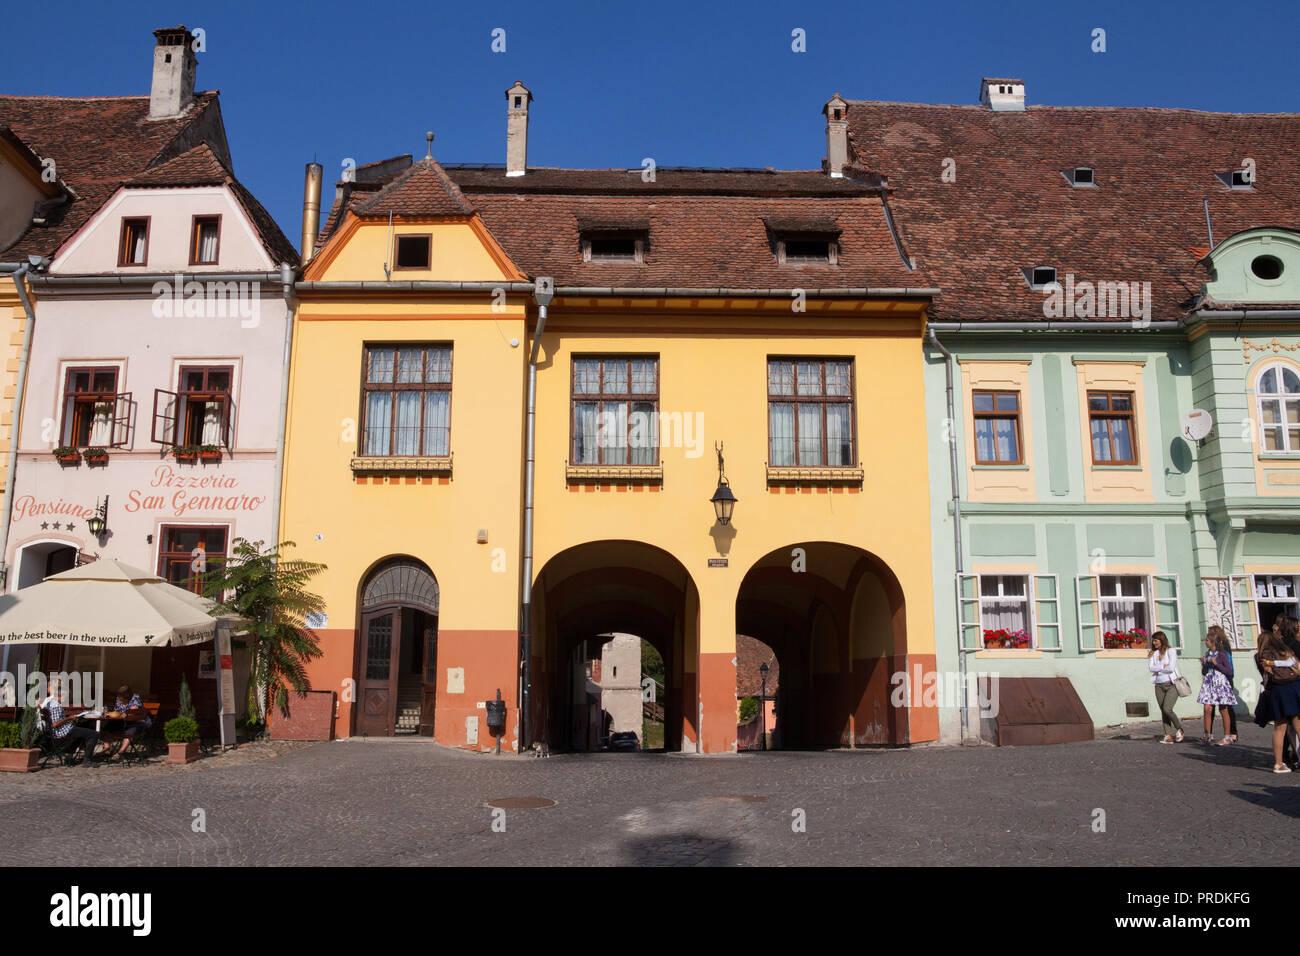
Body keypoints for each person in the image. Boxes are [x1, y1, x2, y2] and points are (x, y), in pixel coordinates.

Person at [1253, 628, 1300, 773]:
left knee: (1280, 728)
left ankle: (1278, 763)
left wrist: (1271, 664)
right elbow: (1294, 663)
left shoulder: (1259, 657)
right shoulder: (1284, 652)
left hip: (1277, 691)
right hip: (1293, 688)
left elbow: (1266, 675)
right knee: (1298, 725)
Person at [42, 677, 101, 769]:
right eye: (66, 697)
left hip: (56, 731)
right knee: (94, 734)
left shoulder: (50, 702)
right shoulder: (56, 705)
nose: (66, 699)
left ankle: (69, 754)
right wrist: (69, 718)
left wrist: (69, 719)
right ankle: (87, 760)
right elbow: (55, 724)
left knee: (82, 730)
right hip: (61, 732)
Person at [1197, 626, 1238, 744]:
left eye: (1207, 640)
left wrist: (1217, 664)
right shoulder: (1207, 653)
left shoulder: (1222, 654)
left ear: (1213, 642)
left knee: (1223, 709)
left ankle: (1227, 736)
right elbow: (1204, 672)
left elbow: (1229, 670)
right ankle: (1207, 735)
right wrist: (1204, 663)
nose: (1205, 642)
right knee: (1207, 708)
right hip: (1209, 682)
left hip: (1220, 682)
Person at [1148, 631, 1184, 743]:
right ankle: (1168, 735)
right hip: (1158, 685)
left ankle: (1179, 728)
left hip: (1171, 684)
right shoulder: (1153, 653)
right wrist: (1162, 666)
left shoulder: (1171, 651)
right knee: (1163, 711)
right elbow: (1151, 668)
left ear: (1162, 640)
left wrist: (1158, 667)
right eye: (1153, 641)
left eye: (1156, 641)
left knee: (1167, 708)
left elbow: (1171, 668)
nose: (1154, 643)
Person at [107, 684, 152, 753]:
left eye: (120, 696)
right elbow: (117, 711)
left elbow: (134, 711)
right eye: (118, 696)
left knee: (129, 732)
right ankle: (106, 746)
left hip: (138, 722)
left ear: (126, 696)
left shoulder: (135, 697)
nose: (118, 698)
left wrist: (122, 714)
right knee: (107, 727)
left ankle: (120, 752)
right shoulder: (118, 699)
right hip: (124, 722)